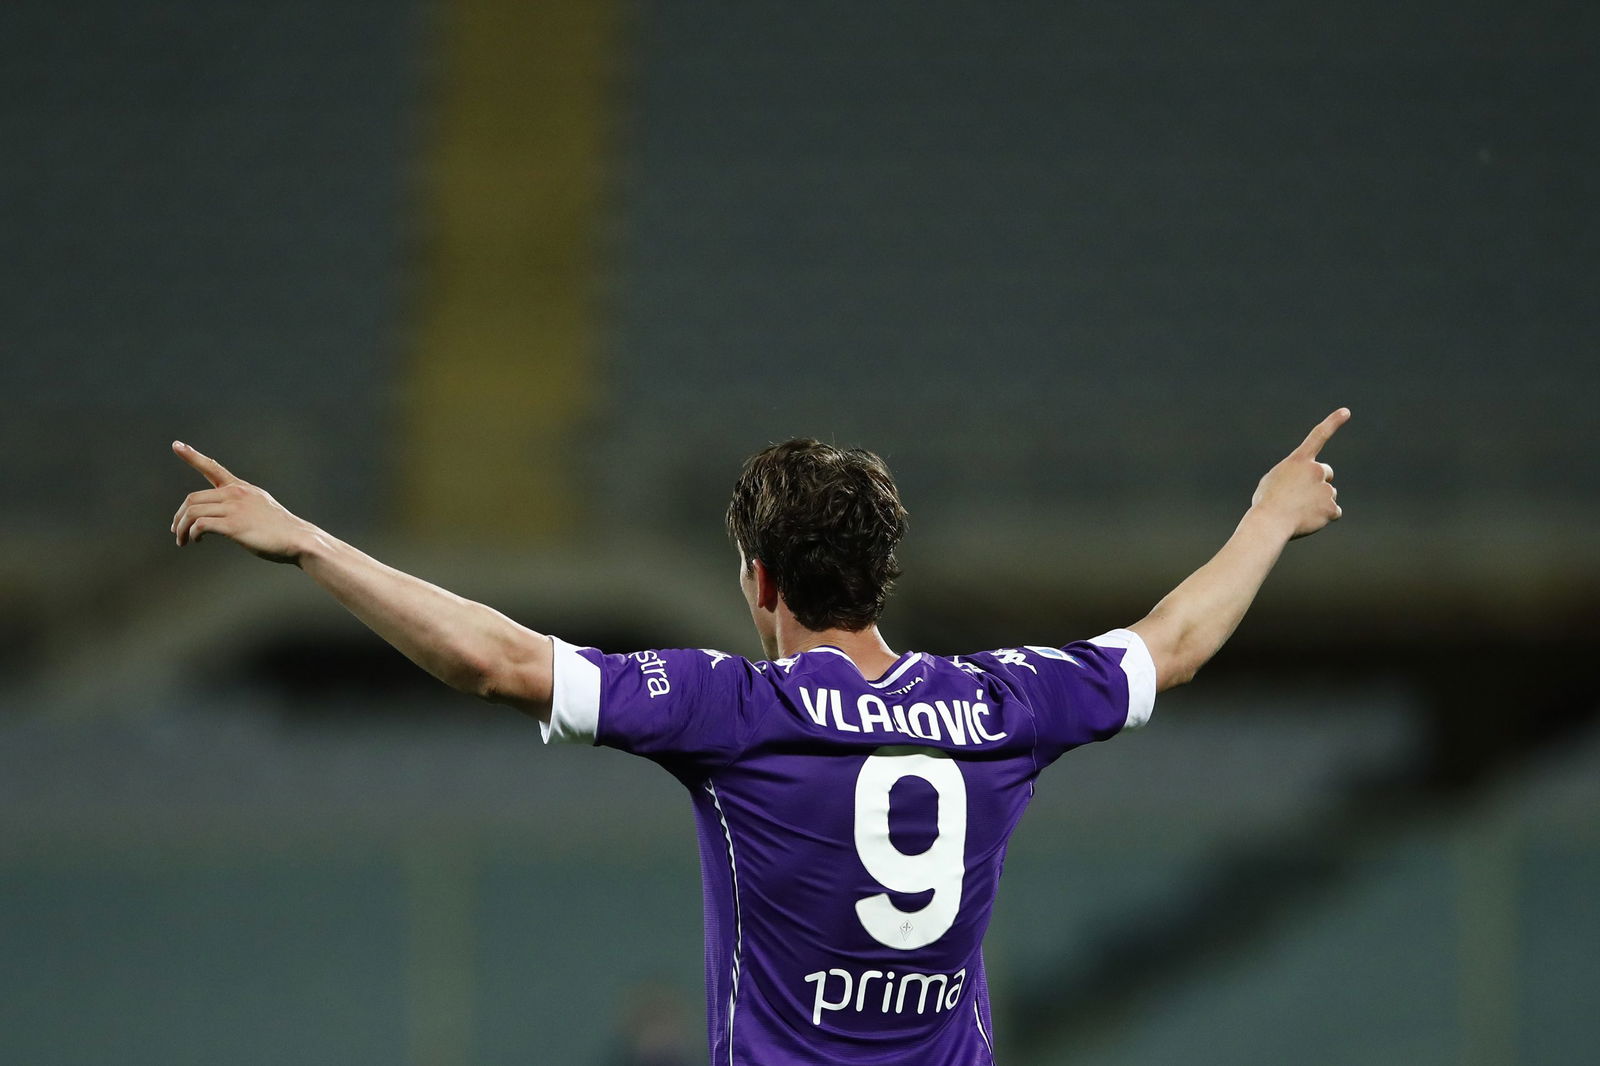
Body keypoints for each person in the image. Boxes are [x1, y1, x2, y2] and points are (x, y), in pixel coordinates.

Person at [167, 408, 1348, 1065]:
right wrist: (1267, 515)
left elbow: (494, 656)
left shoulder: (736, 714)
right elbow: (1175, 640)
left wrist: (308, 543)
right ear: (881, 575)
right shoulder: (1003, 707)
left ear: (761, 580)